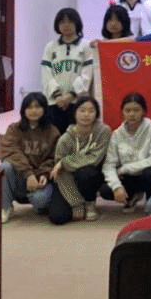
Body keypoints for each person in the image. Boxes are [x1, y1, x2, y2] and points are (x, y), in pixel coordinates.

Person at [48, 96, 111, 224]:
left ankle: (90, 203)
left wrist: (64, 162)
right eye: (82, 110)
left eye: (91, 111)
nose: (86, 114)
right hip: (68, 181)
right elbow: (60, 172)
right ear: (75, 113)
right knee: (58, 217)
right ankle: (77, 203)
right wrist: (76, 203)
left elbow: (95, 158)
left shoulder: (103, 131)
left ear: (96, 114)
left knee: (87, 171)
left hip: (92, 175)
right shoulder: (65, 139)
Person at [0, 92, 59, 223]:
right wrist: (28, 174)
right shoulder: (14, 128)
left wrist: (44, 174)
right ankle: (5, 207)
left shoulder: (52, 131)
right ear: (23, 110)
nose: (33, 111)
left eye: (37, 107)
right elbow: (10, 152)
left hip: (39, 178)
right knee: (4, 166)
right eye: (29, 107)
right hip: (21, 176)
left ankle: (39, 204)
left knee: (40, 201)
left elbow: (53, 158)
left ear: (44, 109)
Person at [99, 92, 151, 211]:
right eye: (127, 111)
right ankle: (131, 197)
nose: (132, 114)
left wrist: (125, 168)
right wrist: (117, 187)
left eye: (136, 110)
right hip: (128, 178)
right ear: (122, 112)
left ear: (144, 111)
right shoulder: (117, 134)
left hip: (146, 174)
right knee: (105, 190)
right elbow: (109, 165)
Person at [42, 7, 94, 133]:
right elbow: (46, 73)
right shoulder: (50, 47)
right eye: (62, 22)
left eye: (70, 21)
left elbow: (87, 74)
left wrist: (70, 95)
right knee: (55, 137)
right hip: (54, 102)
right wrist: (58, 96)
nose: (66, 25)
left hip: (78, 102)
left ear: (77, 23)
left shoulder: (86, 46)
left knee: (77, 136)